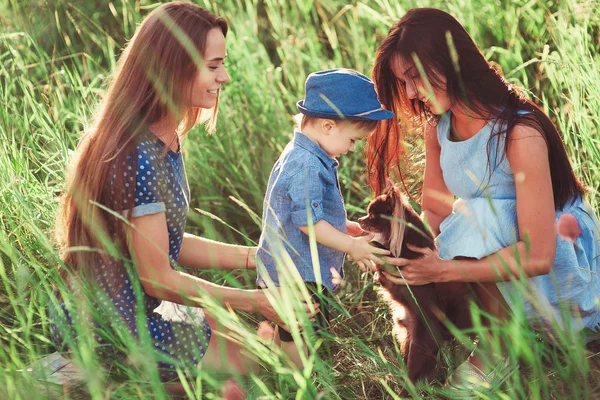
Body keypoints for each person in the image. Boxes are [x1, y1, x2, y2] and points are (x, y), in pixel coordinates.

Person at [50, 2, 316, 396]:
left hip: (137, 304)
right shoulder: (137, 153)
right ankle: (104, 382)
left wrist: (256, 256)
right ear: (173, 65)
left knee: (242, 351)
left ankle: (123, 383)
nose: (223, 76)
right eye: (213, 65)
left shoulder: (163, 135)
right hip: (113, 322)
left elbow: (165, 245)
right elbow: (157, 276)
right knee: (256, 365)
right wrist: (253, 300)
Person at [367, 7, 600, 389]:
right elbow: (437, 215)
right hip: (501, 256)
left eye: (413, 77)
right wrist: (402, 253)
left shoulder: (518, 132)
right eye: (402, 83)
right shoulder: (439, 128)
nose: (410, 93)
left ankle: (501, 345)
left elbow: (540, 253)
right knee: (447, 239)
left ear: (450, 60)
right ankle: (487, 335)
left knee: (477, 217)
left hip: (559, 266)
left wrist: (444, 271)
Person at [255, 69, 393, 366]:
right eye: (354, 140)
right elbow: (307, 223)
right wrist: (350, 246)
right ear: (328, 126)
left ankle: (278, 373)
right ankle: (295, 384)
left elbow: (307, 212)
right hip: (299, 272)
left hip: (293, 267)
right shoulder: (306, 164)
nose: (353, 149)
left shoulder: (306, 155)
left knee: (290, 328)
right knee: (300, 333)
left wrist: (347, 228)